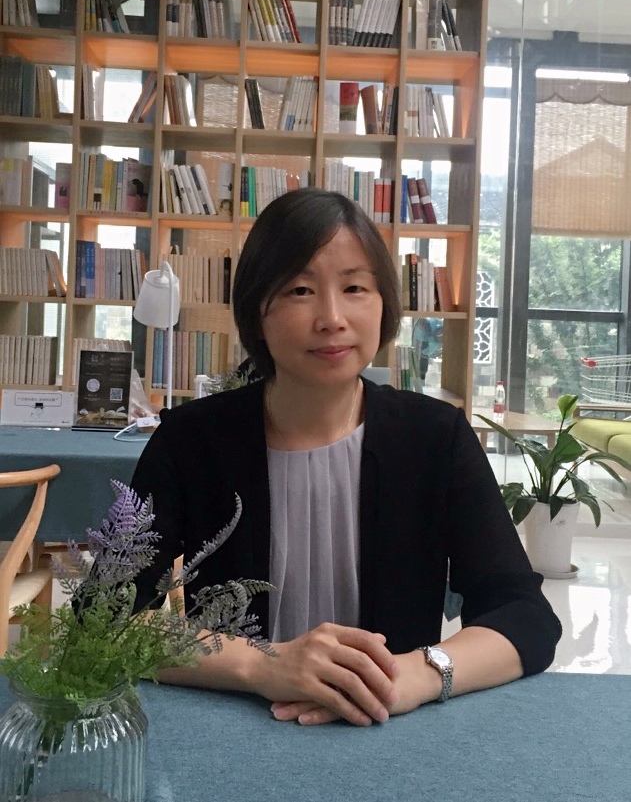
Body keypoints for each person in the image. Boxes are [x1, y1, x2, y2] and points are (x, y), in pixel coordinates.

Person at [130, 187, 561, 727]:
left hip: (389, 732)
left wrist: (416, 675)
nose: (332, 318)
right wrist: (261, 665)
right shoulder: (192, 439)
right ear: (256, 311)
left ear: (384, 304)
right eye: (300, 290)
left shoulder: (435, 436)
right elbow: (105, 617)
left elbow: (524, 616)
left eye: (355, 287)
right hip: (231, 730)